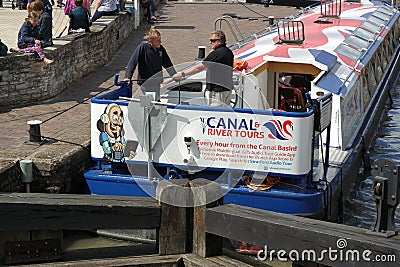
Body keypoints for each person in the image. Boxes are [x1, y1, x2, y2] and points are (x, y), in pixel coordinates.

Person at [172, 30, 234, 106]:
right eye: (210, 40)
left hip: (217, 91)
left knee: (215, 114)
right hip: (226, 89)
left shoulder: (217, 53)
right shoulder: (228, 52)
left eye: (213, 41)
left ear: (220, 41)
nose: (210, 42)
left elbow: (200, 67)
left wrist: (183, 74)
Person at [124, 28, 176, 100]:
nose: (160, 42)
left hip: (156, 82)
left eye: (160, 39)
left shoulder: (161, 49)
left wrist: (174, 75)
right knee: (148, 102)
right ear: (150, 41)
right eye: (158, 40)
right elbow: (132, 62)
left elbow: (167, 64)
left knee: (156, 101)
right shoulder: (142, 48)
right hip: (145, 82)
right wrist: (128, 77)